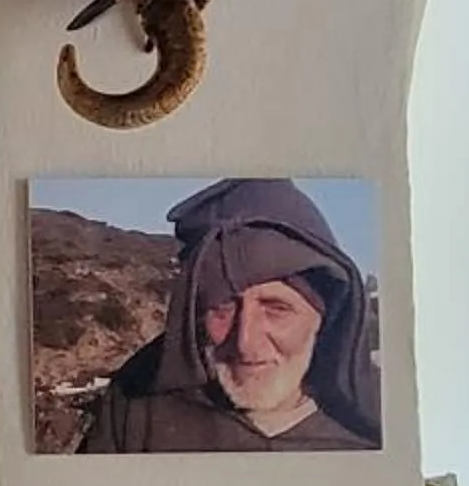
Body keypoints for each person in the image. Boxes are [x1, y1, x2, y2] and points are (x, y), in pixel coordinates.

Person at [74, 177, 381, 453]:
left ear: (323, 316)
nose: (245, 342)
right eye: (222, 307)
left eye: (276, 309)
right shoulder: (136, 408)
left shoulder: (378, 431)